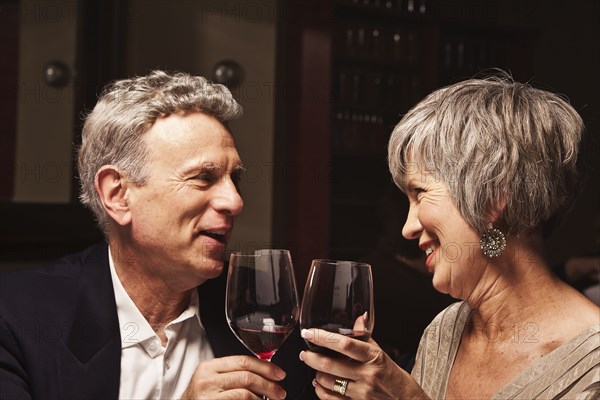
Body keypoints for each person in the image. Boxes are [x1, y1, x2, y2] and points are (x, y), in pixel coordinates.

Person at [0, 70, 314, 399]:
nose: (235, 201)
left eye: (234, 178)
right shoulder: (14, 318)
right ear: (118, 195)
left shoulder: (272, 311)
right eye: (204, 178)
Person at [299, 75, 600, 399]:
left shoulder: (592, 363)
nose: (407, 227)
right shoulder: (444, 330)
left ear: (493, 197)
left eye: (420, 193)